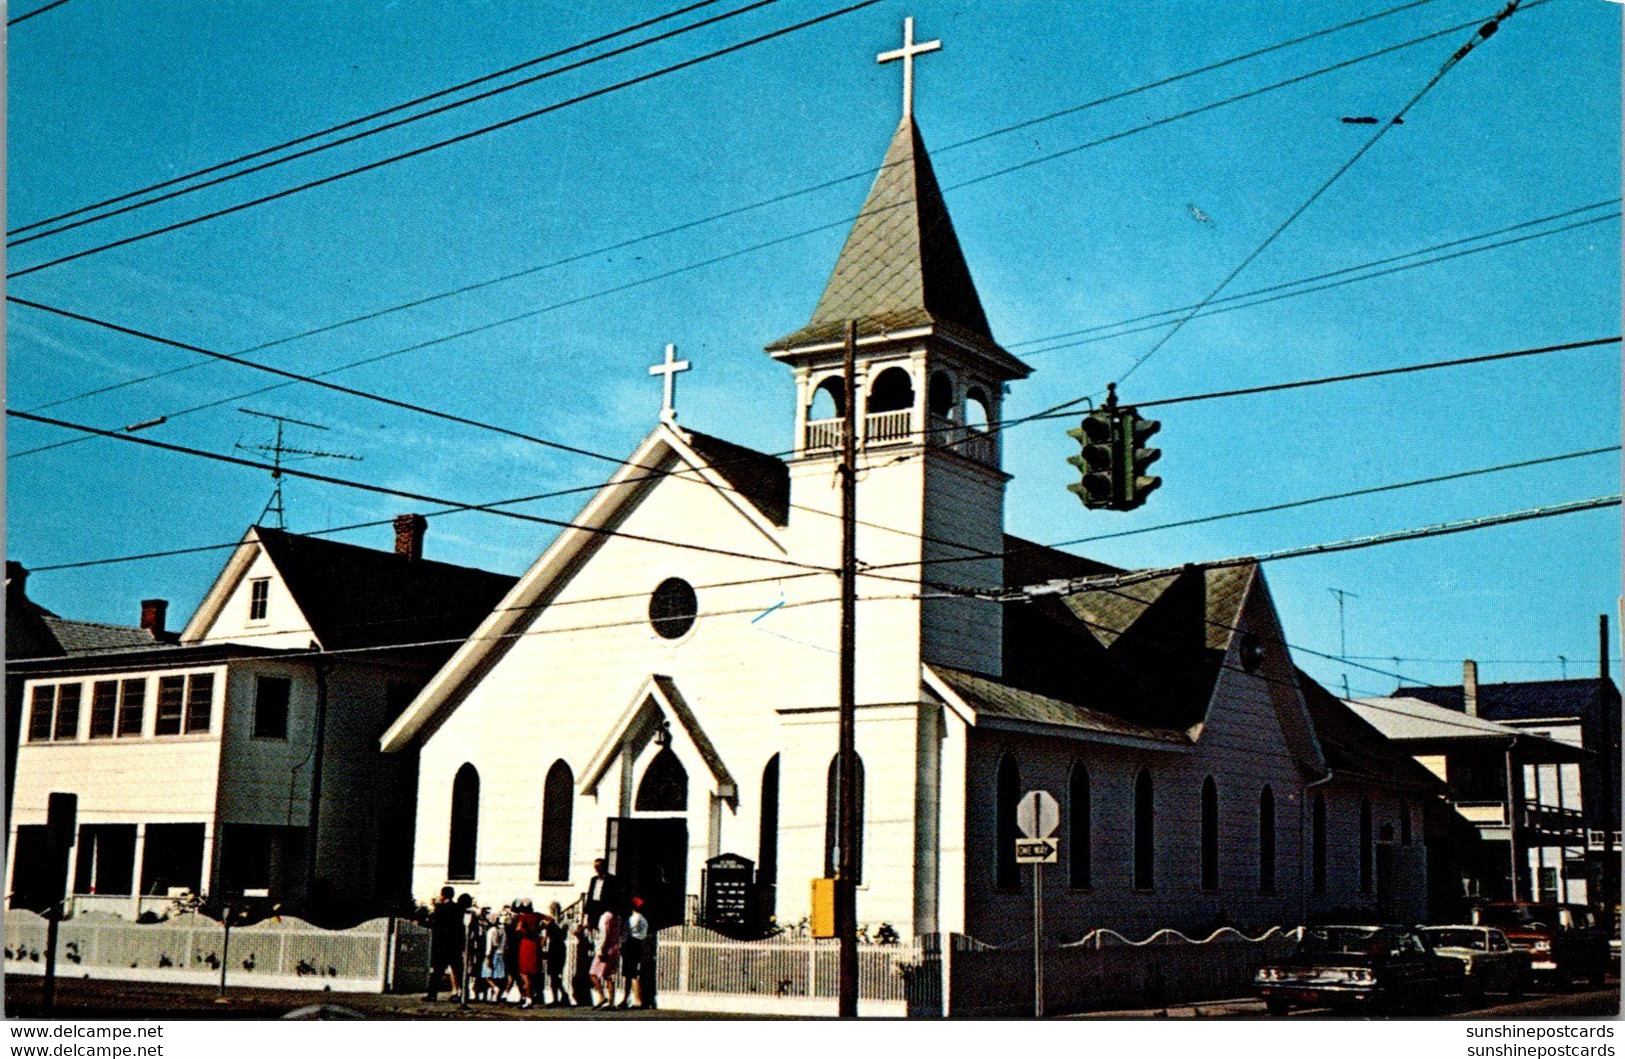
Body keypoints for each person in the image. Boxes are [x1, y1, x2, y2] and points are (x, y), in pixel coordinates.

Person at [423, 886, 465, 1002]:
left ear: (443, 895)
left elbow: (435, 924)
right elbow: (460, 928)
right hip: (454, 945)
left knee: (437, 971)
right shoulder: (458, 909)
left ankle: (432, 994)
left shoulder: (440, 909)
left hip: (442, 945)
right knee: (457, 970)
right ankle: (460, 993)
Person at [619, 896, 650, 1009]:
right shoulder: (643, 919)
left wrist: (622, 944)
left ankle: (637, 1000)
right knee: (630, 973)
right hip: (637, 944)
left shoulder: (632, 919)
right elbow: (643, 934)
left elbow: (625, 933)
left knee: (630, 974)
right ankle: (628, 998)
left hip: (631, 944)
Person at [590, 907, 622, 1009]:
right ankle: (611, 1002)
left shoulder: (606, 916)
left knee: (592, 973)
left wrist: (601, 949)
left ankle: (602, 996)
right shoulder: (617, 917)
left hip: (606, 948)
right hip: (614, 948)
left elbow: (604, 935)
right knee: (607, 975)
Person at [513, 898, 542, 1009]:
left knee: (525, 974)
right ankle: (531, 996)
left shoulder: (523, 917)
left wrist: (523, 932)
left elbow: (518, 928)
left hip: (526, 944)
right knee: (533, 973)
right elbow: (550, 919)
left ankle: (528, 998)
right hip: (535, 944)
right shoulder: (537, 916)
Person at [542, 902, 570, 1006]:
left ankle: (559, 996)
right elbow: (546, 936)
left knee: (555, 973)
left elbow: (563, 935)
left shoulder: (562, 921)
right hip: (554, 946)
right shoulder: (549, 921)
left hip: (557, 947)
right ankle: (560, 996)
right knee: (553, 974)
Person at [481, 909, 506, 1002]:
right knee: (497, 976)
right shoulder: (502, 930)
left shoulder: (491, 931)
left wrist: (488, 957)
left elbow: (489, 945)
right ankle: (494, 996)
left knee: (487, 975)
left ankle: (495, 989)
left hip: (492, 954)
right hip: (500, 954)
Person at [570, 919, 595, 1007]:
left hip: (584, 960)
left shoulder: (585, 938)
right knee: (581, 979)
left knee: (582, 979)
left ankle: (582, 998)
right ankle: (581, 998)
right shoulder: (583, 937)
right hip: (582, 960)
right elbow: (575, 933)